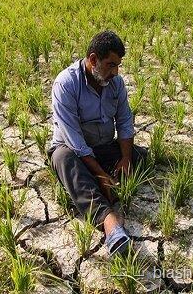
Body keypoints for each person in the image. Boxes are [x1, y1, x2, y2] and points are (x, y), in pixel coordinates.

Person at [48, 30, 146, 257]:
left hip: (102, 148)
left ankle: (96, 181)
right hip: (73, 150)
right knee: (64, 159)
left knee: (139, 156)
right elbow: (75, 142)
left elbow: (124, 121)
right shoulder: (66, 84)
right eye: (111, 65)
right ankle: (109, 222)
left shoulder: (116, 83)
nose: (116, 71)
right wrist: (102, 174)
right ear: (93, 60)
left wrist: (125, 159)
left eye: (118, 65)